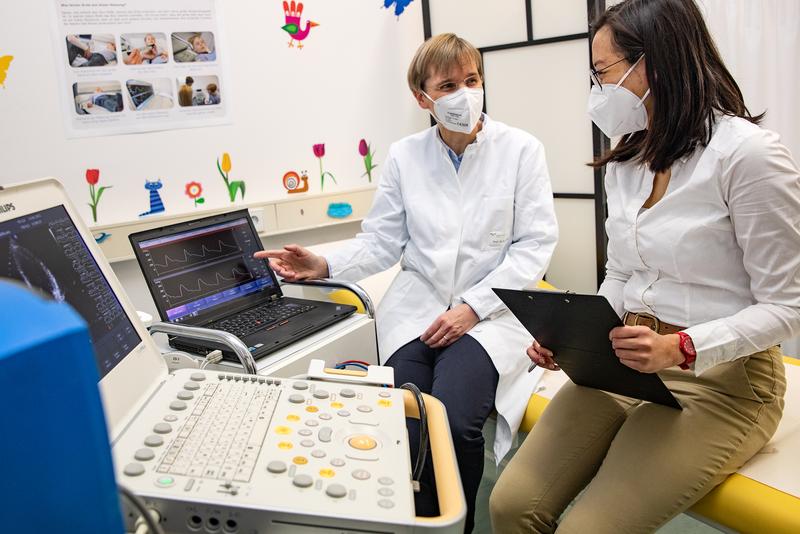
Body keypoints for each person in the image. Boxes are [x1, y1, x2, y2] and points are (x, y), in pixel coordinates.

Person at [489, 1, 800, 532]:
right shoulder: (628, 159)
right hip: (624, 359)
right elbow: (624, 275)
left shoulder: (747, 157)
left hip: (724, 382)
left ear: (654, 65)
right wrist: (571, 336)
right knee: (511, 503)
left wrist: (680, 347)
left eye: (603, 73)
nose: (597, 90)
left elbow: (788, 306)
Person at [256, 33, 558, 533]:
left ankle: (451, 526)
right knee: (406, 417)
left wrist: (473, 308)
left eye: (472, 80)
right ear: (423, 98)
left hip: (491, 315)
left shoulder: (521, 150)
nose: (464, 93)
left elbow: (534, 247)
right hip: (417, 309)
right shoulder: (404, 156)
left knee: (456, 423)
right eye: (448, 85)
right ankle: (410, 521)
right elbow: (381, 243)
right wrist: (323, 265)